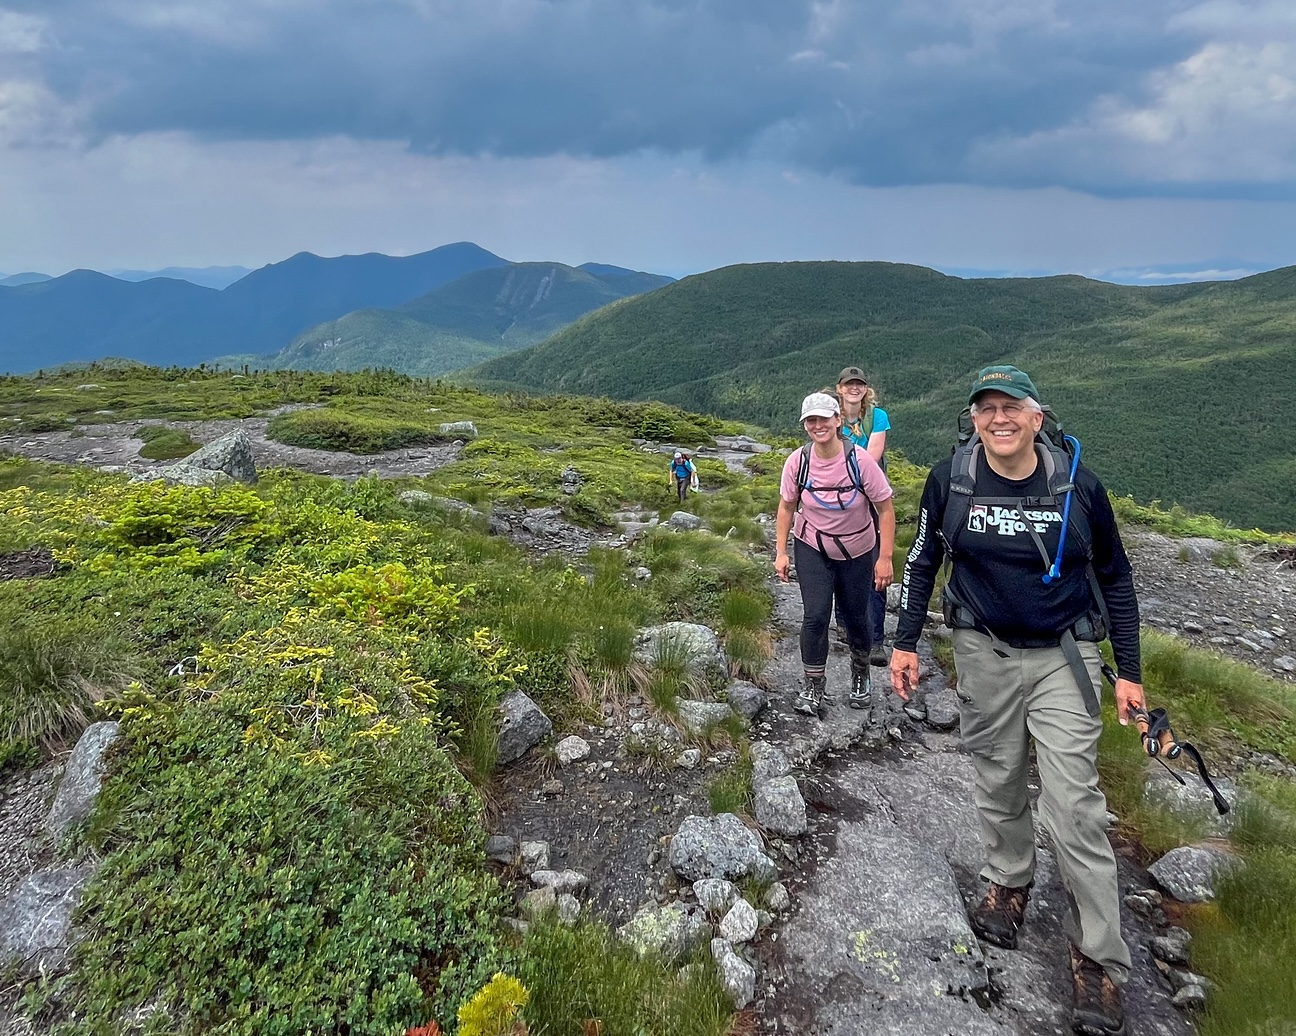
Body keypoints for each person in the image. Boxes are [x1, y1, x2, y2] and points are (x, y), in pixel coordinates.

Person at [890, 365, 1145, 1036]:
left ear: (1037, 417)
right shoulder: (952, 480)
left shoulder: (1077, 485)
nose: (998, 418)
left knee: (1077, 807)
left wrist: (1130, 672)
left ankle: (1097, 958)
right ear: (973, 420)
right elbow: (922, 562)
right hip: (983, 650)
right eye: (985, 408)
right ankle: (1009, 881)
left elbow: (1116, 579)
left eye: (1011, 407)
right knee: (997, 775)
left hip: (1066, 654)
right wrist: (906, 641)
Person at [775, 392, 896, 715]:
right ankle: (813, 686)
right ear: (805, 425)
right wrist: (781, 552)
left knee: (857, 617)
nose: (818, 426)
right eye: (811, 420)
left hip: (858, 550)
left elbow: (885, 509)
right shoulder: (798, 462)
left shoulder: (860, 461)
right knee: (815, 616)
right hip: (812, 545)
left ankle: (860, 671)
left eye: (824, 419)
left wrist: (884, 558)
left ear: (838, 420)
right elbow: (787, 507)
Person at [836, 366, 893, 668]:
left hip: (869, 499)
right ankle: (844, 620)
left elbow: (872, 458)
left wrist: (840, 470)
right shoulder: (831, 415)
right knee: (840, 559)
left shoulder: (877, 417)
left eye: (859, 384)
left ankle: (876, 639)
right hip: (838, 500)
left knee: (874, 567)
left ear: (865, 389)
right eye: (849, 385)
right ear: (840, 388)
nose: (854, 389)